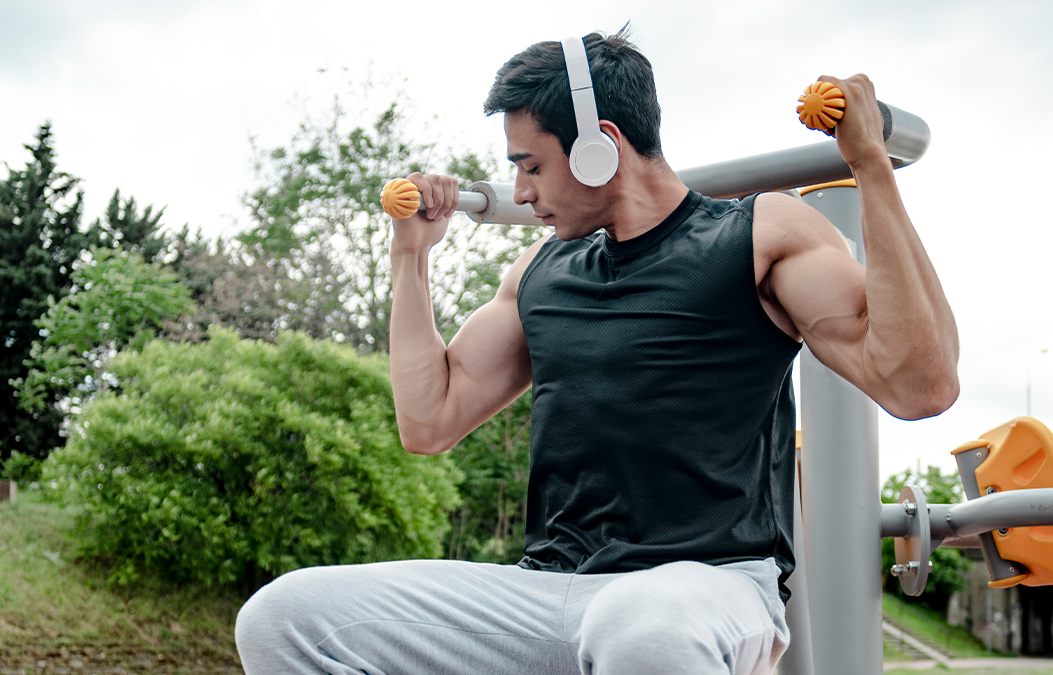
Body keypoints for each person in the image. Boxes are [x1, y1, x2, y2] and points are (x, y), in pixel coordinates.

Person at [235, 28, 959, 675]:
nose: (519, 190)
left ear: (598, 144)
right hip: (550, 588)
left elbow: (918, 384)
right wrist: (411, 259)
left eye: (531, 166)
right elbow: (429, 421)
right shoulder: (539, 270)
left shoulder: (757, 235)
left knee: (640, 627)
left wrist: (870, 168)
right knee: (285, 618)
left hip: (708, 585)